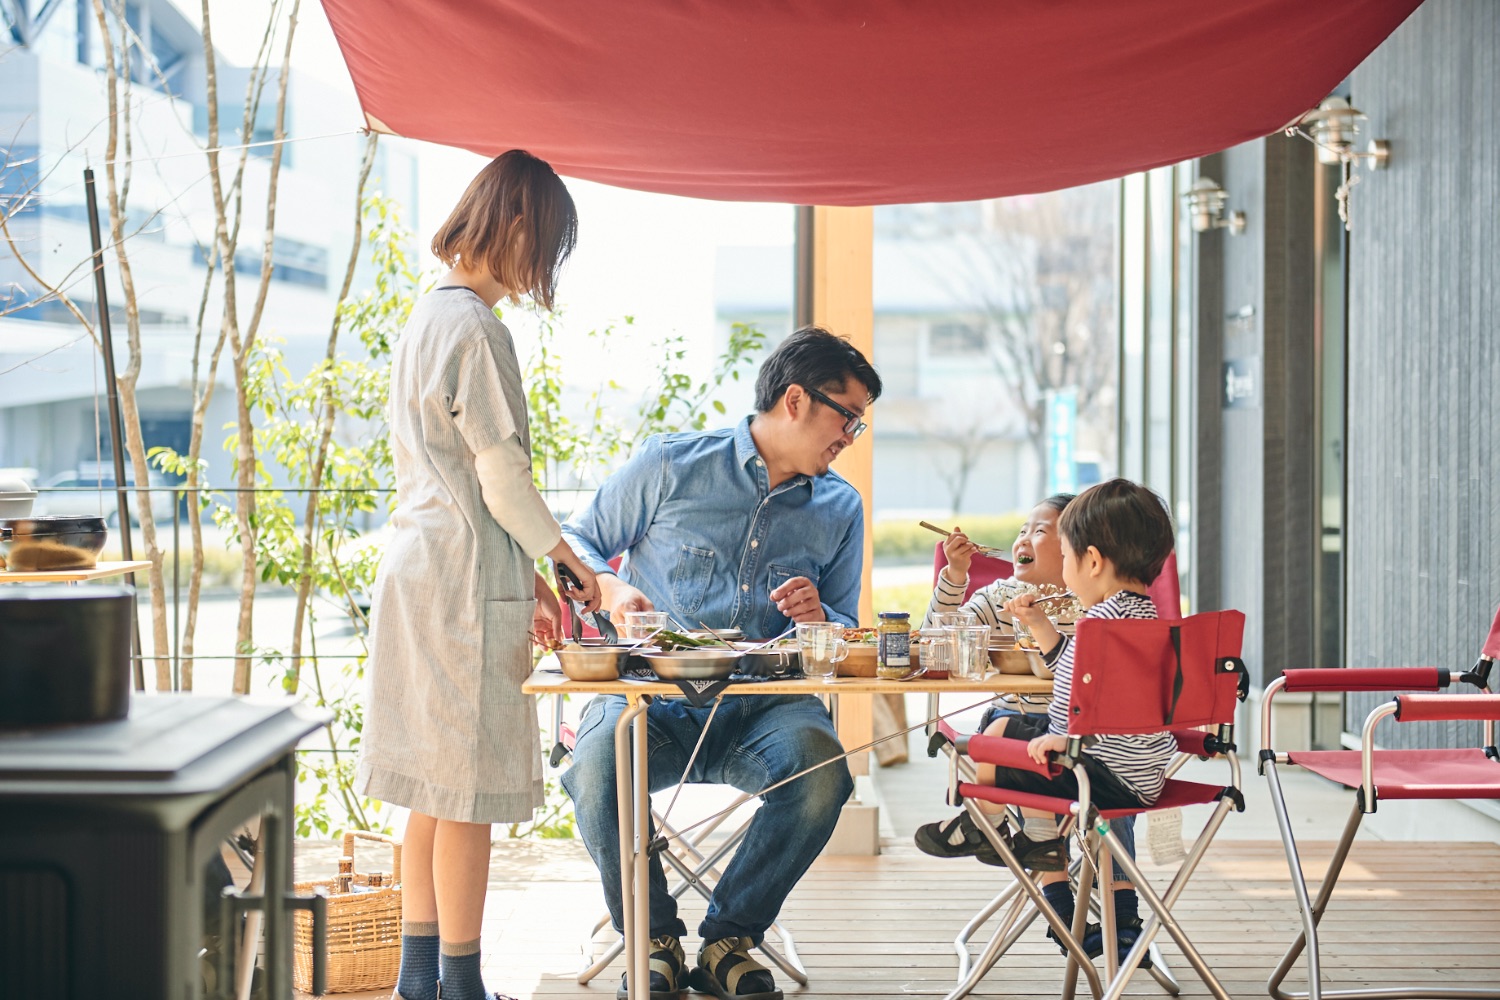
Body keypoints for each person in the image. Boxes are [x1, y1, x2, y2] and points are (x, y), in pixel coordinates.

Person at [559, 326, 882, 1000]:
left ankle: (730, 938)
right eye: (846, 417)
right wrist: (612, 587)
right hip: (649, 699)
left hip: (767, 709)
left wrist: (820, 619)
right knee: (593, 767)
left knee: (822, 770)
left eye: (859, 423)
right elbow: (578, 539)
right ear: (795, 399)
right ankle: (651, 940)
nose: (851, 436)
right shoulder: (673, 465)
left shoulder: (841, 508)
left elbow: (848, 627)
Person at [355, 150, 601, 1000]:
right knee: (467, 797)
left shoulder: (427, 317)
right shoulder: (477, 330)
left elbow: (458, 474)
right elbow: (500, 475)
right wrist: (563, 558)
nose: (544, 270)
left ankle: (418, 981)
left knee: (428, 788)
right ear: (520, 225)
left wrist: (526, 571)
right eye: (549, 247)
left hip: (424, 567)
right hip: (459, 580)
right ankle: (461, 985)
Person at [914, 478, 1176, 968]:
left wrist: (1070, 735)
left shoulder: (1098, 623)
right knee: (1010, 730)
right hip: (1141, 775)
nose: (1023, 539)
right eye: (1022, 529)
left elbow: (1087, 688)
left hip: (1081, 762)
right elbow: (1090, 679)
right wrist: (1038, 627)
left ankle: (982, 826)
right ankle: (1108, 925)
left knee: (996, 739)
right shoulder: (1150, 621)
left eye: (1049, 535)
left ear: (1089, 561)